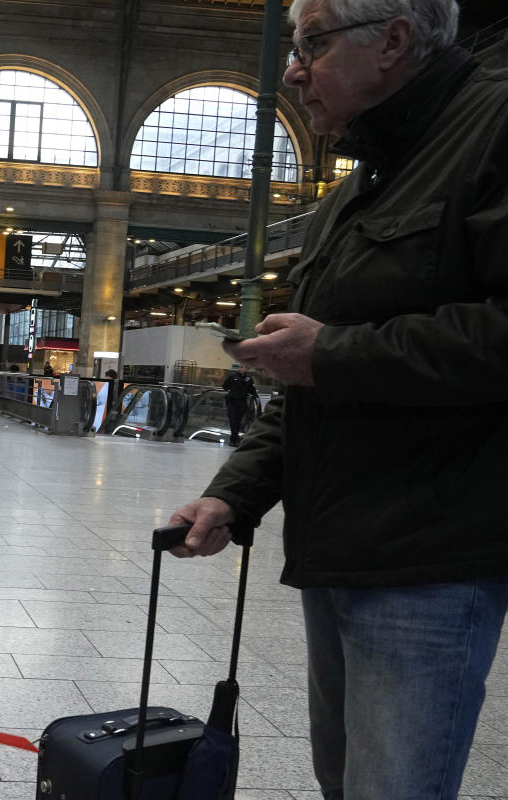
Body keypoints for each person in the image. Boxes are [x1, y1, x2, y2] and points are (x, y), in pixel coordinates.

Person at [168, 2, 508, 798]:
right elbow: (309, 379)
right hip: (342, 551)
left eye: (309, 46)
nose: (291, 70)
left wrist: (335, 352)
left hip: (429, 561)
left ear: (391, 41)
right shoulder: (361, 185)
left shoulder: (492, 129)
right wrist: (235, 493)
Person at [221, 363, 259, 446]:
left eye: (243, 367)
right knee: (232, 420)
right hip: (232, 402)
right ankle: (234, 438)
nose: (241, 369)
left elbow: (252, 390)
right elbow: (225, 386)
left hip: (242, 402)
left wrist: (256, 397)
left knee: (238, 421)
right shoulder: (233, 377)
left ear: (247, 369)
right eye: (240, 367)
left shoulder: (248, 379)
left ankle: (234, 439)